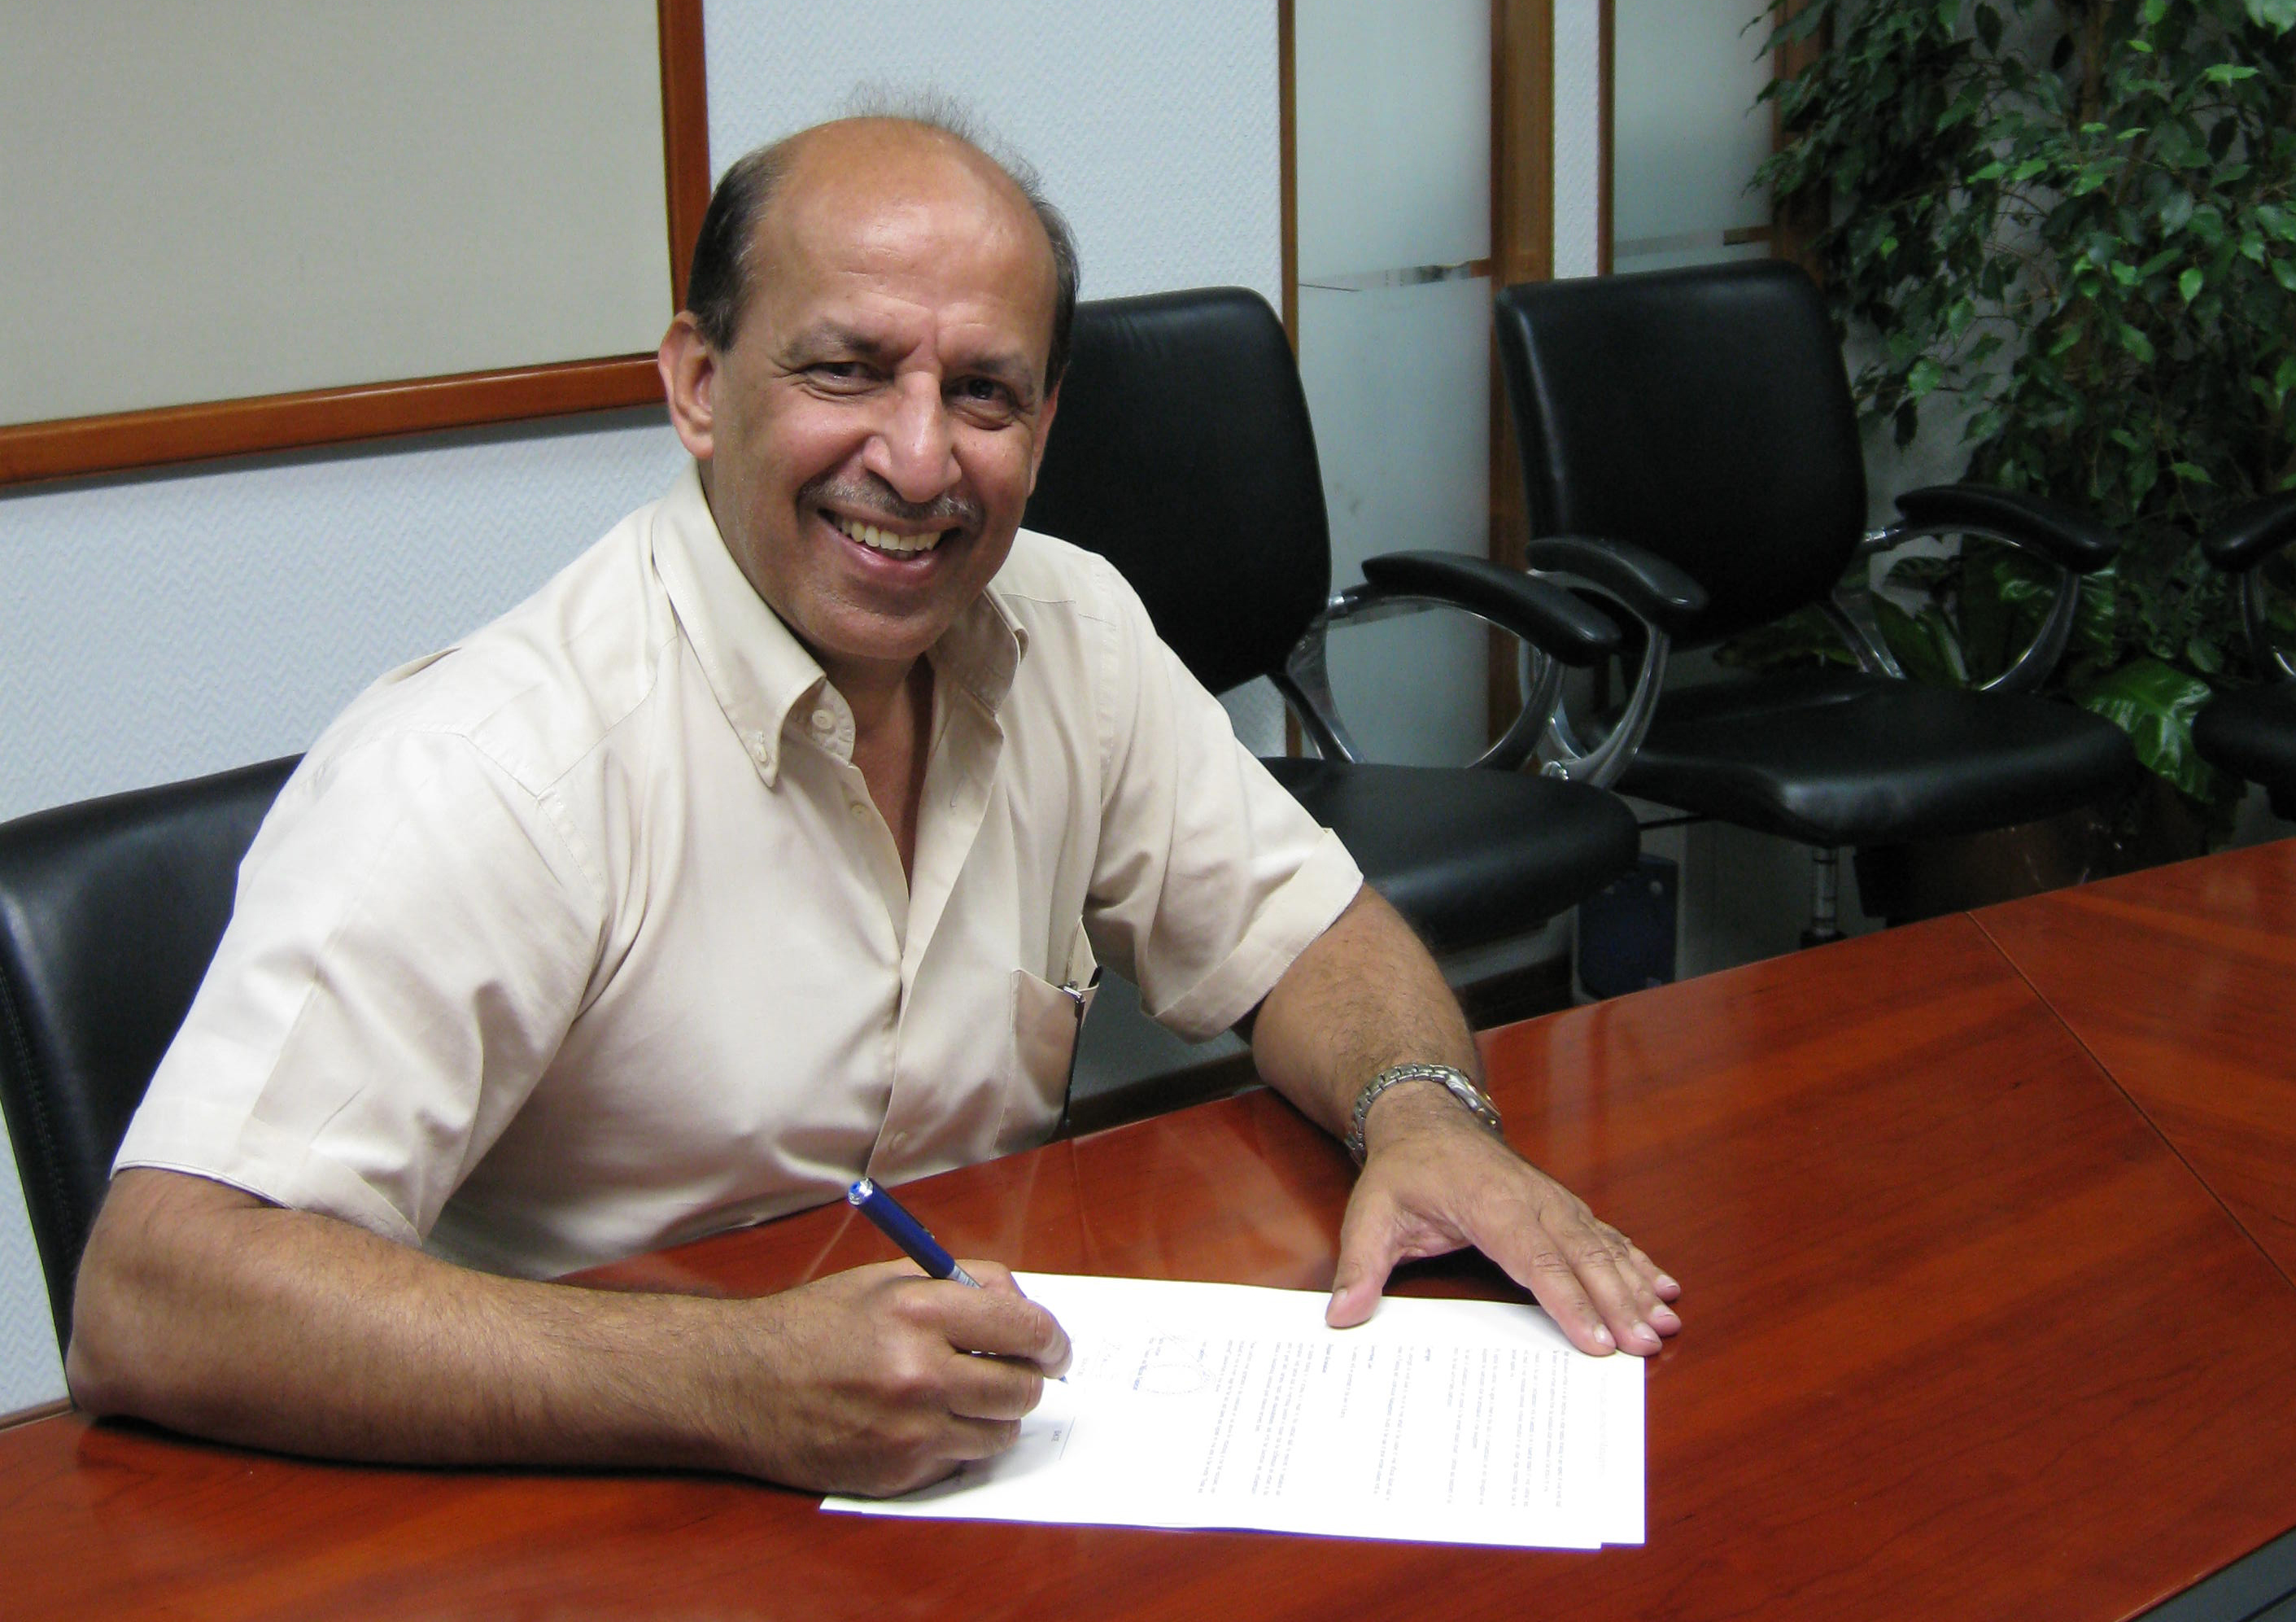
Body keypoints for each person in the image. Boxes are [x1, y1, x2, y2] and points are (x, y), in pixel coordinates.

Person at [65, 113, 1679, 1499]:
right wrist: (727, 1381)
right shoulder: (501, 755)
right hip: (594, 1493)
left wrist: (1420, 1110)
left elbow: (1312, 938)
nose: (918, 462)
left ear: (1045, 427)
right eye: (846, 372)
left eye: (985, 395)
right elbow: (158, 1292)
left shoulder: (1073, 630)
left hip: (983, 1456)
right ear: (699, 385)